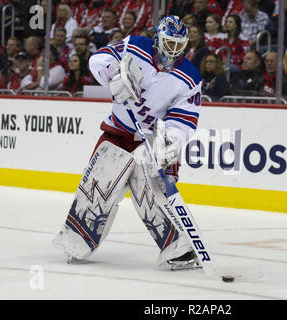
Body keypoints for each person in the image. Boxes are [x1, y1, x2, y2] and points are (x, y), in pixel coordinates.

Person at [52, 16, 203, 270]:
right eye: (169, 43)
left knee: (153, 191)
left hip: (154, 141)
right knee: (100, 182)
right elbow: (99, 58)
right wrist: (112, 74)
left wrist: (170, 141)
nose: (173, 51)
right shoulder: (135, 45)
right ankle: (78, 239)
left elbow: (185, 118)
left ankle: (181, 248)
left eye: (179, 45)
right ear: (157, 38)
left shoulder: (190, 76)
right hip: (118, 133)